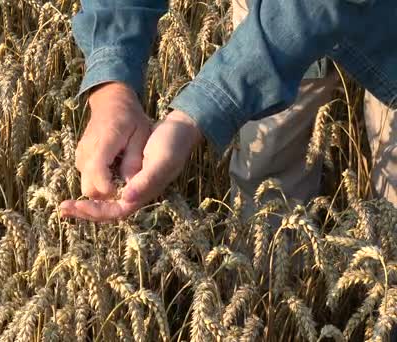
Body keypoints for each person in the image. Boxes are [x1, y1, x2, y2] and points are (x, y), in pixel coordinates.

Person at [59, 0, 397, 222]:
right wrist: (113, 89)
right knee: (266, 185)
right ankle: (267, 294)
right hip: (266, 14)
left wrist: (201, 110)